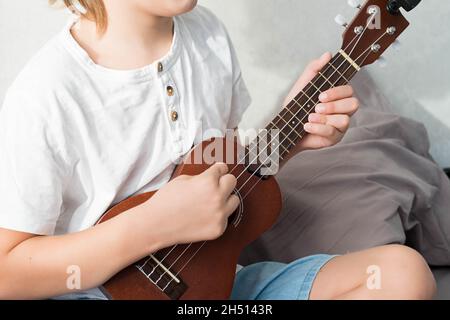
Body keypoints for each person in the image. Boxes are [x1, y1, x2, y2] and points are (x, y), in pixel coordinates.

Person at [0, 0, 436, 300]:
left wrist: (288, 139)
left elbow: (218, 175)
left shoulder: (208, 39)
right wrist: (150, 226)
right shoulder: (47, 94)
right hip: (95, 293)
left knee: (402, 274)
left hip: (211, 289)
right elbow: (7, 272)